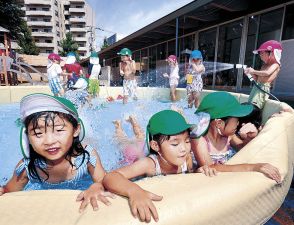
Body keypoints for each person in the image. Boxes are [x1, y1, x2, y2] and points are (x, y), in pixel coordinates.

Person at [0, 93, 114, 212]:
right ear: (27, 137)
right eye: (38, 133)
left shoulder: (86, 158)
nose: (49, 141)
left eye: (59, 130)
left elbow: (107, 181)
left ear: (76, 130)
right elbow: (9, 192)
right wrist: (3, 190)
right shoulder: (28, 167)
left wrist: (97, 186)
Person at [103, 110, 211, 223]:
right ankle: (118, 126)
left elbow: (190, 173)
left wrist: (200, 170)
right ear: (155, 146)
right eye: (175, 144)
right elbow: (110, 177)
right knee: (124, 143)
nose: (184, 148)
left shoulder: (185, 158)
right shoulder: (149, 165)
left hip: (151, 146)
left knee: (140, 137)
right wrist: (134, 191)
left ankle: (134, 123)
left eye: (187, 141)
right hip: (134, 154)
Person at [191, 91, 281, 183]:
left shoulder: (229, 136)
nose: (238, 124)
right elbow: (212, 167)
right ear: (219, 123)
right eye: (236, 120)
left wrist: (249, 138)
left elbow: (241, 148)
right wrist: (255, 167)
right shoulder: (199, 140)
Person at [244, 40, 282, 109]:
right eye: (260, 53)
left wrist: (254, 71)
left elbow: (267, 73)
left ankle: (255, 118)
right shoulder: (264, 66)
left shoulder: (275, 65)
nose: (260, 55)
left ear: (271, 53)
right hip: (257, 86)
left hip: (263, 88)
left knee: (255, 106)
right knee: (249, 104)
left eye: (262, 53)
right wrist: (250, 74)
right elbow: (257, 79)